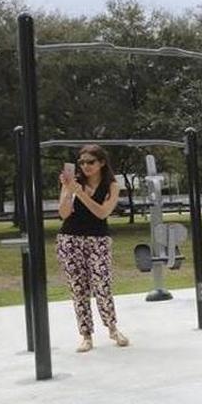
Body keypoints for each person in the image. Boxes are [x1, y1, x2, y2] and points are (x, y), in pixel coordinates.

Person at [56, 144, 128, 353]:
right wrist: (69, 192)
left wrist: (82, 193)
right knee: (78, 288)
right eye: (82, 162)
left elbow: (102, 213)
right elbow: (63, 213)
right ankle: (86, 335)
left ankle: (112, 328)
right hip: (70, 239)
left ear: (102, 163)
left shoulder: (112, 185)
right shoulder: (73, 182)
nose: (85, 166)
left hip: (98, 240)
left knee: (102, 284)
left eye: (91, 162)